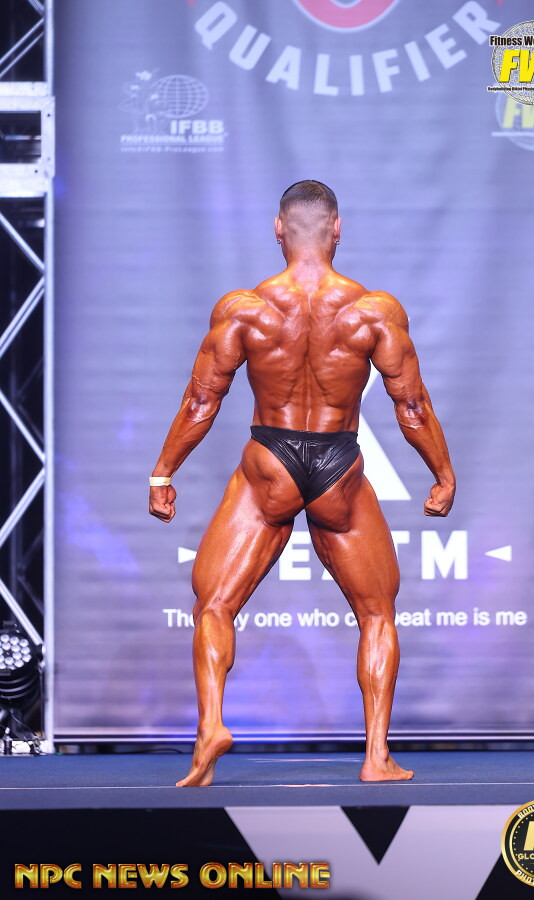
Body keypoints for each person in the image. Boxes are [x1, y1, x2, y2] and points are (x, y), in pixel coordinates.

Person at [149, 181, 455, 787]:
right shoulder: (373, 311)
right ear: (337, 229)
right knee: (377, 613)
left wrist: (163, 472)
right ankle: (376, 757)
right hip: (338, 464)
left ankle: (210, 728)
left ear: (278, 229)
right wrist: (441, 474)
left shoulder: (245, 310)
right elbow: (412, 405)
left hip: (271, 459)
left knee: (214, 604)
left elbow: (201, 401)